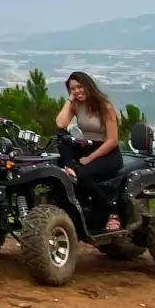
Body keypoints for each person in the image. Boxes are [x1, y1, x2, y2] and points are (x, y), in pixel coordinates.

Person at [55, 71, 123, 232]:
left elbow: (113, 140)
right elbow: (60, 124)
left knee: (83, 175)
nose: (77, 91)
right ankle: (69, 167)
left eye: (80, 86)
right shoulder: (76, 104)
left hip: (108, 152)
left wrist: (90, 158)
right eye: (73, 89)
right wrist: (70, 100)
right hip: (88, 146)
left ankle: (110, 209)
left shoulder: (104, 106)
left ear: (88, 85)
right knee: (60, 136)